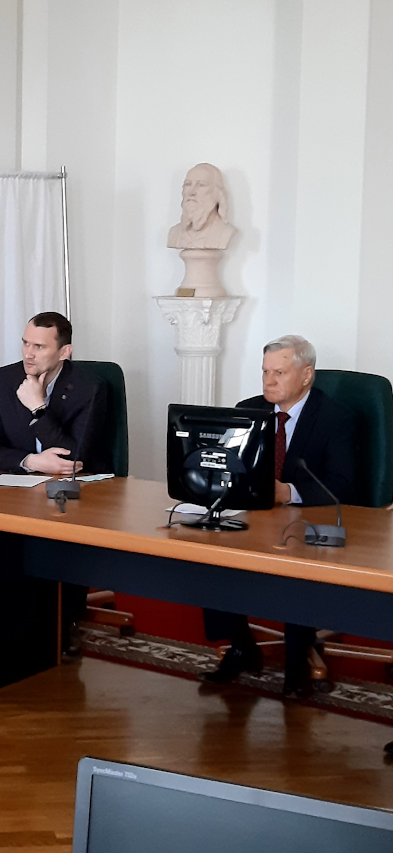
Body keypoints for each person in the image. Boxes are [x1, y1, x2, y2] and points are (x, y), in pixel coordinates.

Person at [201, 335, 356, 697]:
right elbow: (229, 465)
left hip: (309, 520)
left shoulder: (336, 418)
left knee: (294, 562)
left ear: (306, 375)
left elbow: (343, 486)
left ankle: (296, 664)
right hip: (256, 516)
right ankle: (242, 646)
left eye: (279, 373)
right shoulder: (248, 410)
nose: (268, 381)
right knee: (209, 553)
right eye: (265, 372)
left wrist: (287, 492)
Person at [0, 311, 108, 656]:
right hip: (19, 481)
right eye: (25, 343)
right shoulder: (2, 380)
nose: (28, 354)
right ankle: (3, 626)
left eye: (39, 346)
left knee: (61, 529)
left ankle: (63, 622)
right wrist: (31, 461)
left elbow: (74, 456)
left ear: (64, 352)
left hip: (74, 485)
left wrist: (38, 409)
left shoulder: (89, 386)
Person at [167, 162, 237, 250]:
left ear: (217, 193)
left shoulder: (225, 232)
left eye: (201, 185)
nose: (191, 192)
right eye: (188, 184)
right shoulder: (174, 233)